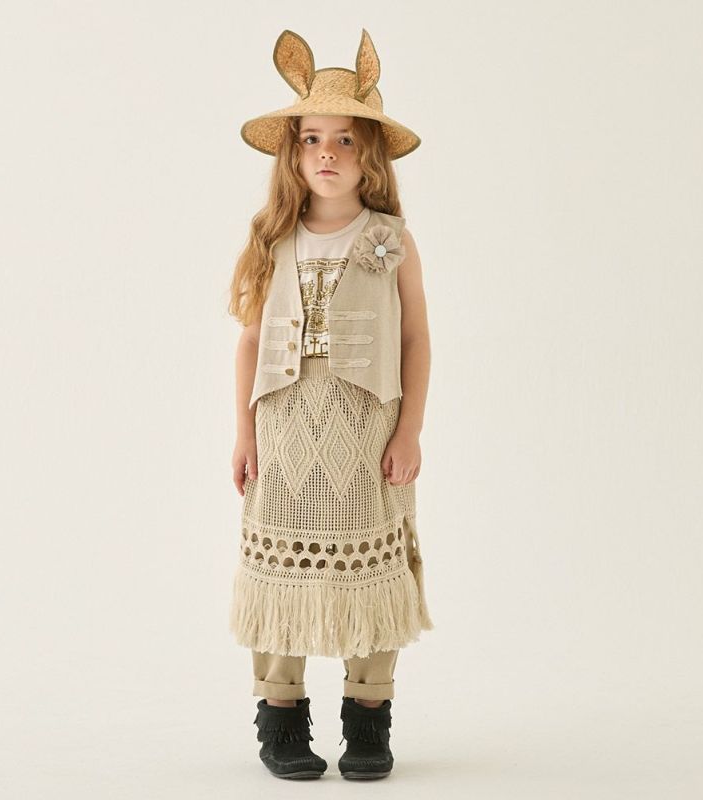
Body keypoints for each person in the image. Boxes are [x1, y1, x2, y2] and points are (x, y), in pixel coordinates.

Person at [227, 29, 434, 780]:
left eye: (345, 139)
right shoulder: (273, 236)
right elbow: (251, 341)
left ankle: (368, 716)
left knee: (370, 564)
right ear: (292, 153)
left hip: (366, 425)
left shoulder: (389, 238)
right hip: (284, 425)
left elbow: (415, 338)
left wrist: (409, 430)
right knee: (281, 563)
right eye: (312, 138)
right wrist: (244, 433)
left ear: (369, 154)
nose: (327, 153)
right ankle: (280, 714)